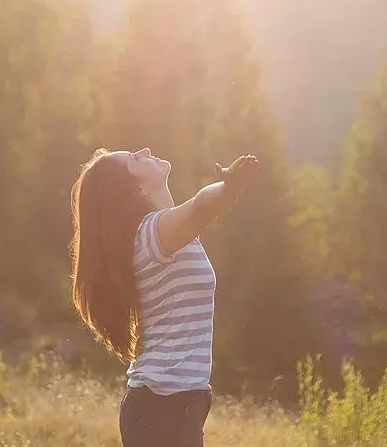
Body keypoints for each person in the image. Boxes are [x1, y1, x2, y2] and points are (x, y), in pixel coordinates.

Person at [68, 147, 259, 446]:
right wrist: (228, 187)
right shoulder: (153, 235)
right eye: (134, 158)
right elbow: (202, 205)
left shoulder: (166, 234)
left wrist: (228, 190)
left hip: (175, 405)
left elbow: (199, 208)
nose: (144, 150)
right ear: (136, 189)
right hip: (163, 406)